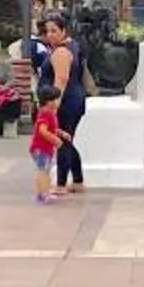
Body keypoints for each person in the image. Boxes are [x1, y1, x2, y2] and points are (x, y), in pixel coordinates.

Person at [43, 11, 88, 193]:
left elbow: (60, 80)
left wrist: (54, 105)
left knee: (61, 140)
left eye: (54, 31)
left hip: (66, 101)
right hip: (74, 98)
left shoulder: (61, 51)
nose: (50, 35)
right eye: (48, 31)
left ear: (64, 31)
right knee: (67, 140)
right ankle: (77, 180)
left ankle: (61, 184)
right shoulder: (72, 46)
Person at [29, 96, 66, 201]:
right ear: (47, 102)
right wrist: (55, 139)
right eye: (54, 100)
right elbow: (42, 130)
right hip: (41, 148)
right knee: (43, 171)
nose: (57, 102)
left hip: (46, 149)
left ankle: (44, 192)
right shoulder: (45, 113)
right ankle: (42, 194)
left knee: (45, 170)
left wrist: (62, 133)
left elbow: (53, 128)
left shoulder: (50, 113)